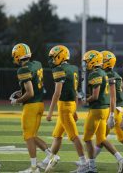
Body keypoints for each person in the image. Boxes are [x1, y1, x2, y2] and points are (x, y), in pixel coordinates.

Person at [82, 50, 123, 173]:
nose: (86, 64)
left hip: (97, 109)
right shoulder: (104, 73)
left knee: (87, 138)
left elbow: (95, 96)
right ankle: (121, 159)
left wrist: (85, 100)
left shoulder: (95, 74)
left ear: (93, 61)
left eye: (87, 61)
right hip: (105, 109)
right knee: (101, 138)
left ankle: (91, 167)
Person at [44, 45, 87, 173]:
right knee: (57, 135)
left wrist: (50, 113)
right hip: (71, 105)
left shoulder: (59, 69)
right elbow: (76, 91)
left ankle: (84, 163)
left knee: (74, 136)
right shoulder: (73, 68)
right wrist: (75, 109)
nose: (52, 60)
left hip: (64, 106)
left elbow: (57, 93)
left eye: (53, 57)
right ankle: (48, 159)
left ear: (60, 56)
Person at [11, 43, 52, 173]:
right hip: (40, 105)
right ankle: (52, 155)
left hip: (31, 106)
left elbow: (30, 93)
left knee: (28, 136)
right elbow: (32, 86)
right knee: (33, 135)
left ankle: (34, 168)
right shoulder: (37, 64)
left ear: (18, 56)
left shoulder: (23, 70)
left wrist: (17, 100)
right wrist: (21, 91)